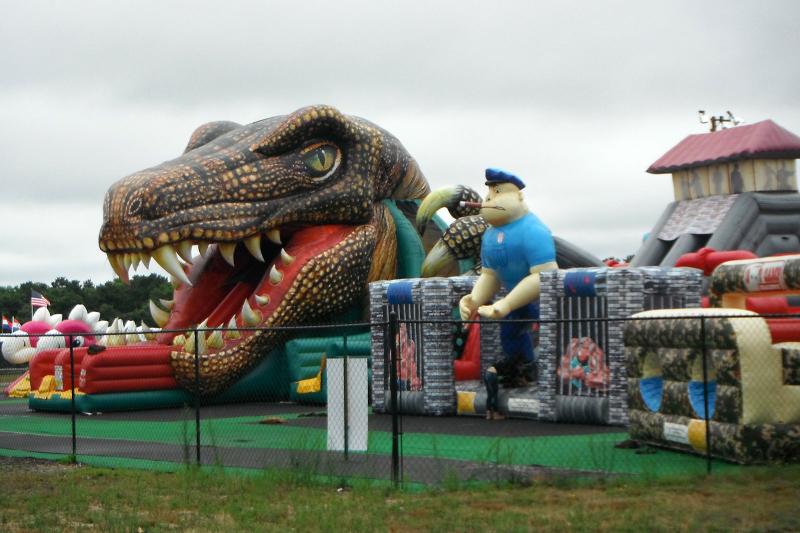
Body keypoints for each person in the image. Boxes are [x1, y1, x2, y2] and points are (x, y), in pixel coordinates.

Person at [459, 168, 558, 420]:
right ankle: (519, 377)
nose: (489, 200)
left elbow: (544, 277)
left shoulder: (534, 231)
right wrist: (474, 299)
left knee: (524, 333)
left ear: (520, 198)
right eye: (489, 194)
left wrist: (506, 303)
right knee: (511, 335)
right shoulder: (490, 236)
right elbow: (490, 275)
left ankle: (526, 372)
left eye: (498, 192)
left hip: (541, 303)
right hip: (514, 305)